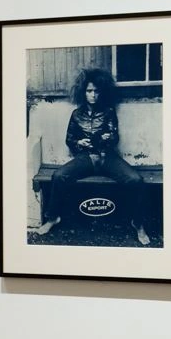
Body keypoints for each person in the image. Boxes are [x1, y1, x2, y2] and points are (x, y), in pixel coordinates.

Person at [34, 67, 149, 246]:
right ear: (83, 93)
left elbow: (114, 137)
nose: (93, 95)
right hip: (86, 158)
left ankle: (138, 223)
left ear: (101, 92)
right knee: (59, 176)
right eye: (89, 91)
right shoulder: (76, 115)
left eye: (96, 91)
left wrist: (107, 138)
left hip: (107, 157)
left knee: (135, 180)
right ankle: (53, 218)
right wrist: (80, 143)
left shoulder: (108, 112)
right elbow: (69, 140)